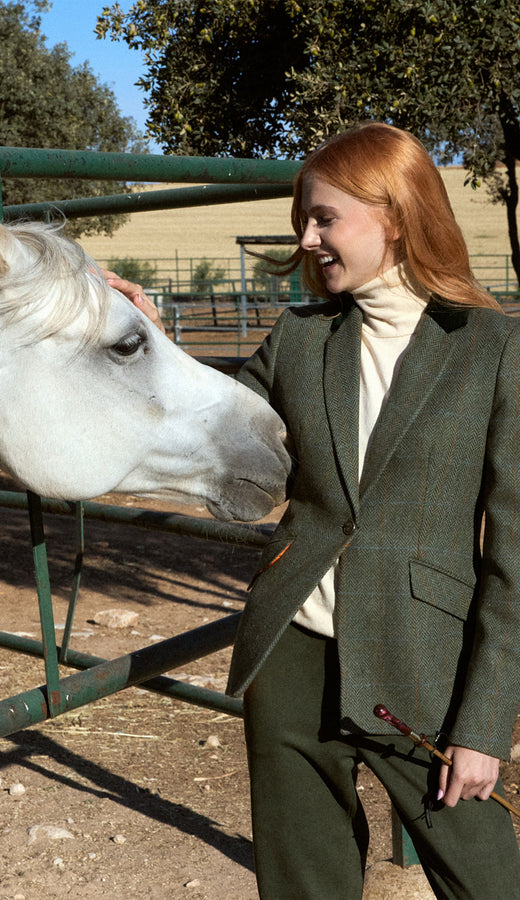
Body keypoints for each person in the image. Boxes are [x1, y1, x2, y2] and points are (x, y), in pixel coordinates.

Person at [108, 122, 520, 899]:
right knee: (303, 883)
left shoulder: (493, 348)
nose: (307, 236)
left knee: (488, 877)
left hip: (425, 663)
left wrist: (483, 725)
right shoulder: (301, 336)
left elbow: (515, 556)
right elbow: (217, 420)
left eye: (325, 217)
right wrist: (150, 340)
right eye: (307, 218)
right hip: (292, 651)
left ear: (394, 215)